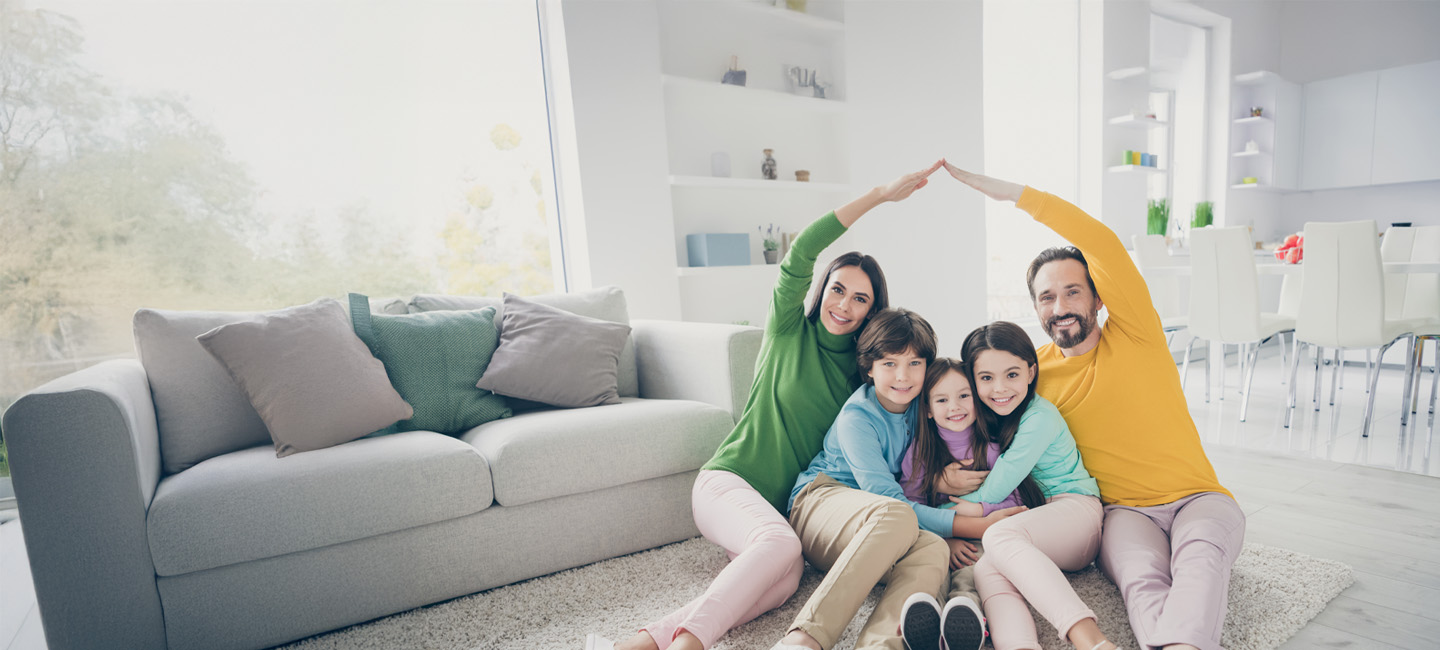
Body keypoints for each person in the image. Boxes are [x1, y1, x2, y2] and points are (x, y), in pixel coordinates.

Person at [585, 162, 943, 650]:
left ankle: (641, 643)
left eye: (860, 299)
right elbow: (802, 251)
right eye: (837, 289)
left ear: (872, 311)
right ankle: (690, 645)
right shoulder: (787, 330)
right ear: (822, 289)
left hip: (783, 514)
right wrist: (879, 195)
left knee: (782, 581)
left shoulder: (870, 373)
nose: (844, 304)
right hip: (728, 483)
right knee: (780, 548)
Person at [945, 162, 1245, 650]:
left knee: (1199, 559)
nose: (1059, 305)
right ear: (1036, 308)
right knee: (1138, 577)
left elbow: (1102, 242)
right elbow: (967, 404)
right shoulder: (1029, 373)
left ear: (1098, 299)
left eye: (1071, 291)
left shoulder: (1138, 335)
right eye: (1046, 297)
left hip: (1198, 497)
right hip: (1123, 513)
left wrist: (1016, 194)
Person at [781, 309, 1025, 650]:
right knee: (898, 514)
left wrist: (939, 480)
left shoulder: (924, 402)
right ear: (869, 368)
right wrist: (975, 526)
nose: (903, 376)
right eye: (889, 364)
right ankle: (805, 638)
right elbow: (890, 501)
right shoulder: (858, 418)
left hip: (889, 525)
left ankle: (882, 645)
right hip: (823, 503)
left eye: (914, 363)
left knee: (934, 551)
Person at [934, 322, 1114, 650]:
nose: (1000, 388)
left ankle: (1091, 639)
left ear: (1031, 372)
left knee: (998, 535)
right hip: (1043, 524)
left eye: (1012, 375)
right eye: (986, 378)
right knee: (987, 569)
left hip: (1078, 515)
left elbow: (995, 489)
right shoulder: (990, 416)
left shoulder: (1039, 417)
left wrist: (938, 519)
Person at [895, 356, 1034, 650]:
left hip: (981, 538)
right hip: (935, 539)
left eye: (963, 396)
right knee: (929, 571)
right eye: (942, 400)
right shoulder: (919, 453)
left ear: (976, 399)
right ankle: (927, 620)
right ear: (929, 410)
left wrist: (979, 513)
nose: (954, 406)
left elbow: (1015, 500)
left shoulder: (992, 446)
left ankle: (965, 613)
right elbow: (909, 505)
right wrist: (946, 540)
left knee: (972, 572)